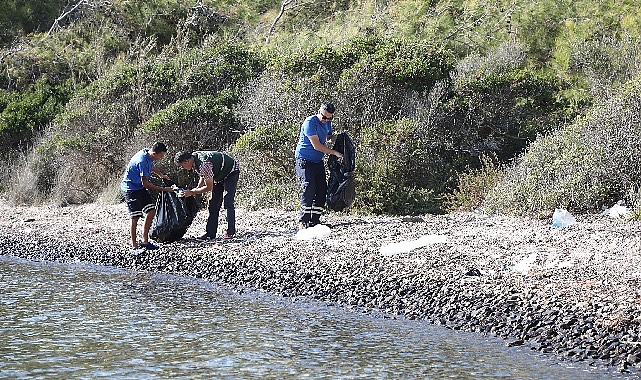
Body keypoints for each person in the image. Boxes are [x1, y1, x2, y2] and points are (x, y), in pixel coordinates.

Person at [295, 102, 343, 229]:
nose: (326, 120)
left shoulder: (327, 122)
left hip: (317, 161)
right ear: (319, 112)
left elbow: (328, 137)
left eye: (329, 118)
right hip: (305, 160)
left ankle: (315, 220)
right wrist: (334, 152)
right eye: (324, 117)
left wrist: (337, 138)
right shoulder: (310, 122)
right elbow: (316, 145)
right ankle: (304, 220)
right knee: (309, 188)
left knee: (322, 189)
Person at [121, 142, 175, 254]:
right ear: (155, 153)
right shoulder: (142, 160)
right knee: (135, 217)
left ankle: (145, 241)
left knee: (151, 211)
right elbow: (146, 184)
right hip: (130, 189)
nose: (162, 158)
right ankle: (134, 245)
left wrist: (161, 175)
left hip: (139, 188)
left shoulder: (148, 152)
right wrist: (165, 189)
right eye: (161, 156)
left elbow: (151, 166)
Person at [174, 150, 239, 240]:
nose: (183, 168)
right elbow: (203, 175)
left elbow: (209, 187)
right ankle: (210, 234)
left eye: (182, 166)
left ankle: (230, 232)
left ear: (187, 161)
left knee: (228, 201)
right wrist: (197, 189)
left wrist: (193, 192)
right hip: (218, 175)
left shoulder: (204, 164)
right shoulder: (194, 158)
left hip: (231, 171)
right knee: (213, 205)